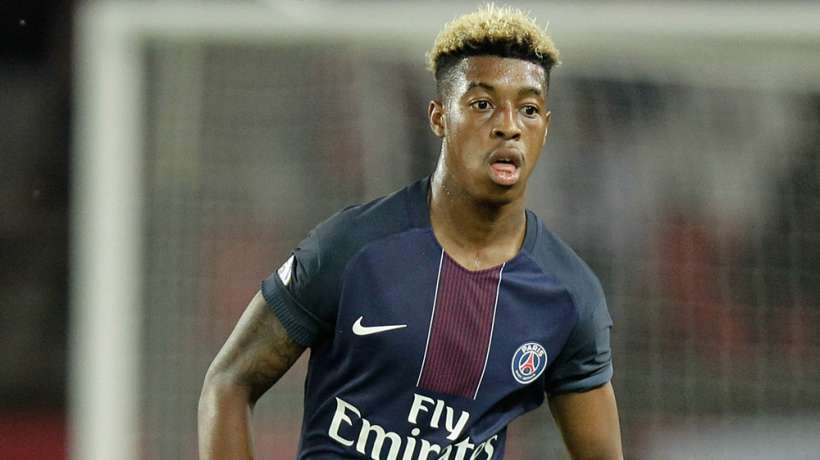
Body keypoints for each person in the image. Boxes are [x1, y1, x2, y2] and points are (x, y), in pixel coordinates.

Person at [198, 4, 623, 459]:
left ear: (546, 128)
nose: (508, 126)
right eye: (482, 104)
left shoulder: (568, 295)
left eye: (529, 109)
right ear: (439, 117)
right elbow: (229, 382)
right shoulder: (351, 249)